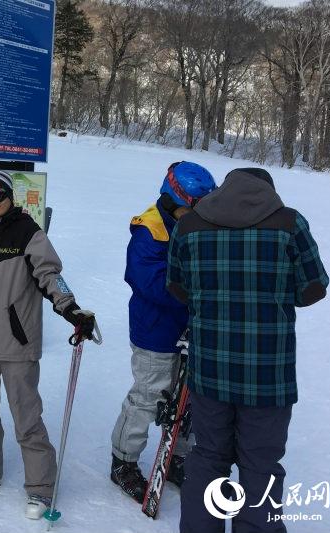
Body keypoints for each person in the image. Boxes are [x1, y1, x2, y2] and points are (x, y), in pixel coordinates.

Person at [167, 168, 328, 533]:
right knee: (261, 464)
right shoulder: (290, 224)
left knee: (208, 456)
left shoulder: (189, 226)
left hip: (210, 370)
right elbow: (313, 288)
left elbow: (176, 286)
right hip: (268, 374)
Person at [0, 170, 97, 520]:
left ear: (9, 194)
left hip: (17, 343)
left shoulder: (29, 233)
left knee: (26, 418)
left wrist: (71, 307)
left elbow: (50, 274)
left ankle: (41, 488)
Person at [109, 161, 216, 503]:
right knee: (149, 396)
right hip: (156, 330)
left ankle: (177, 456)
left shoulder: (199, 226)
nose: (201, 213)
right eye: (194, 206)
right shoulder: (150, 230)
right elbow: (148, 281)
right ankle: (123, 461)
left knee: (191, 400)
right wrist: (197, 287)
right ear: (173, 199)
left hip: (195, 328)